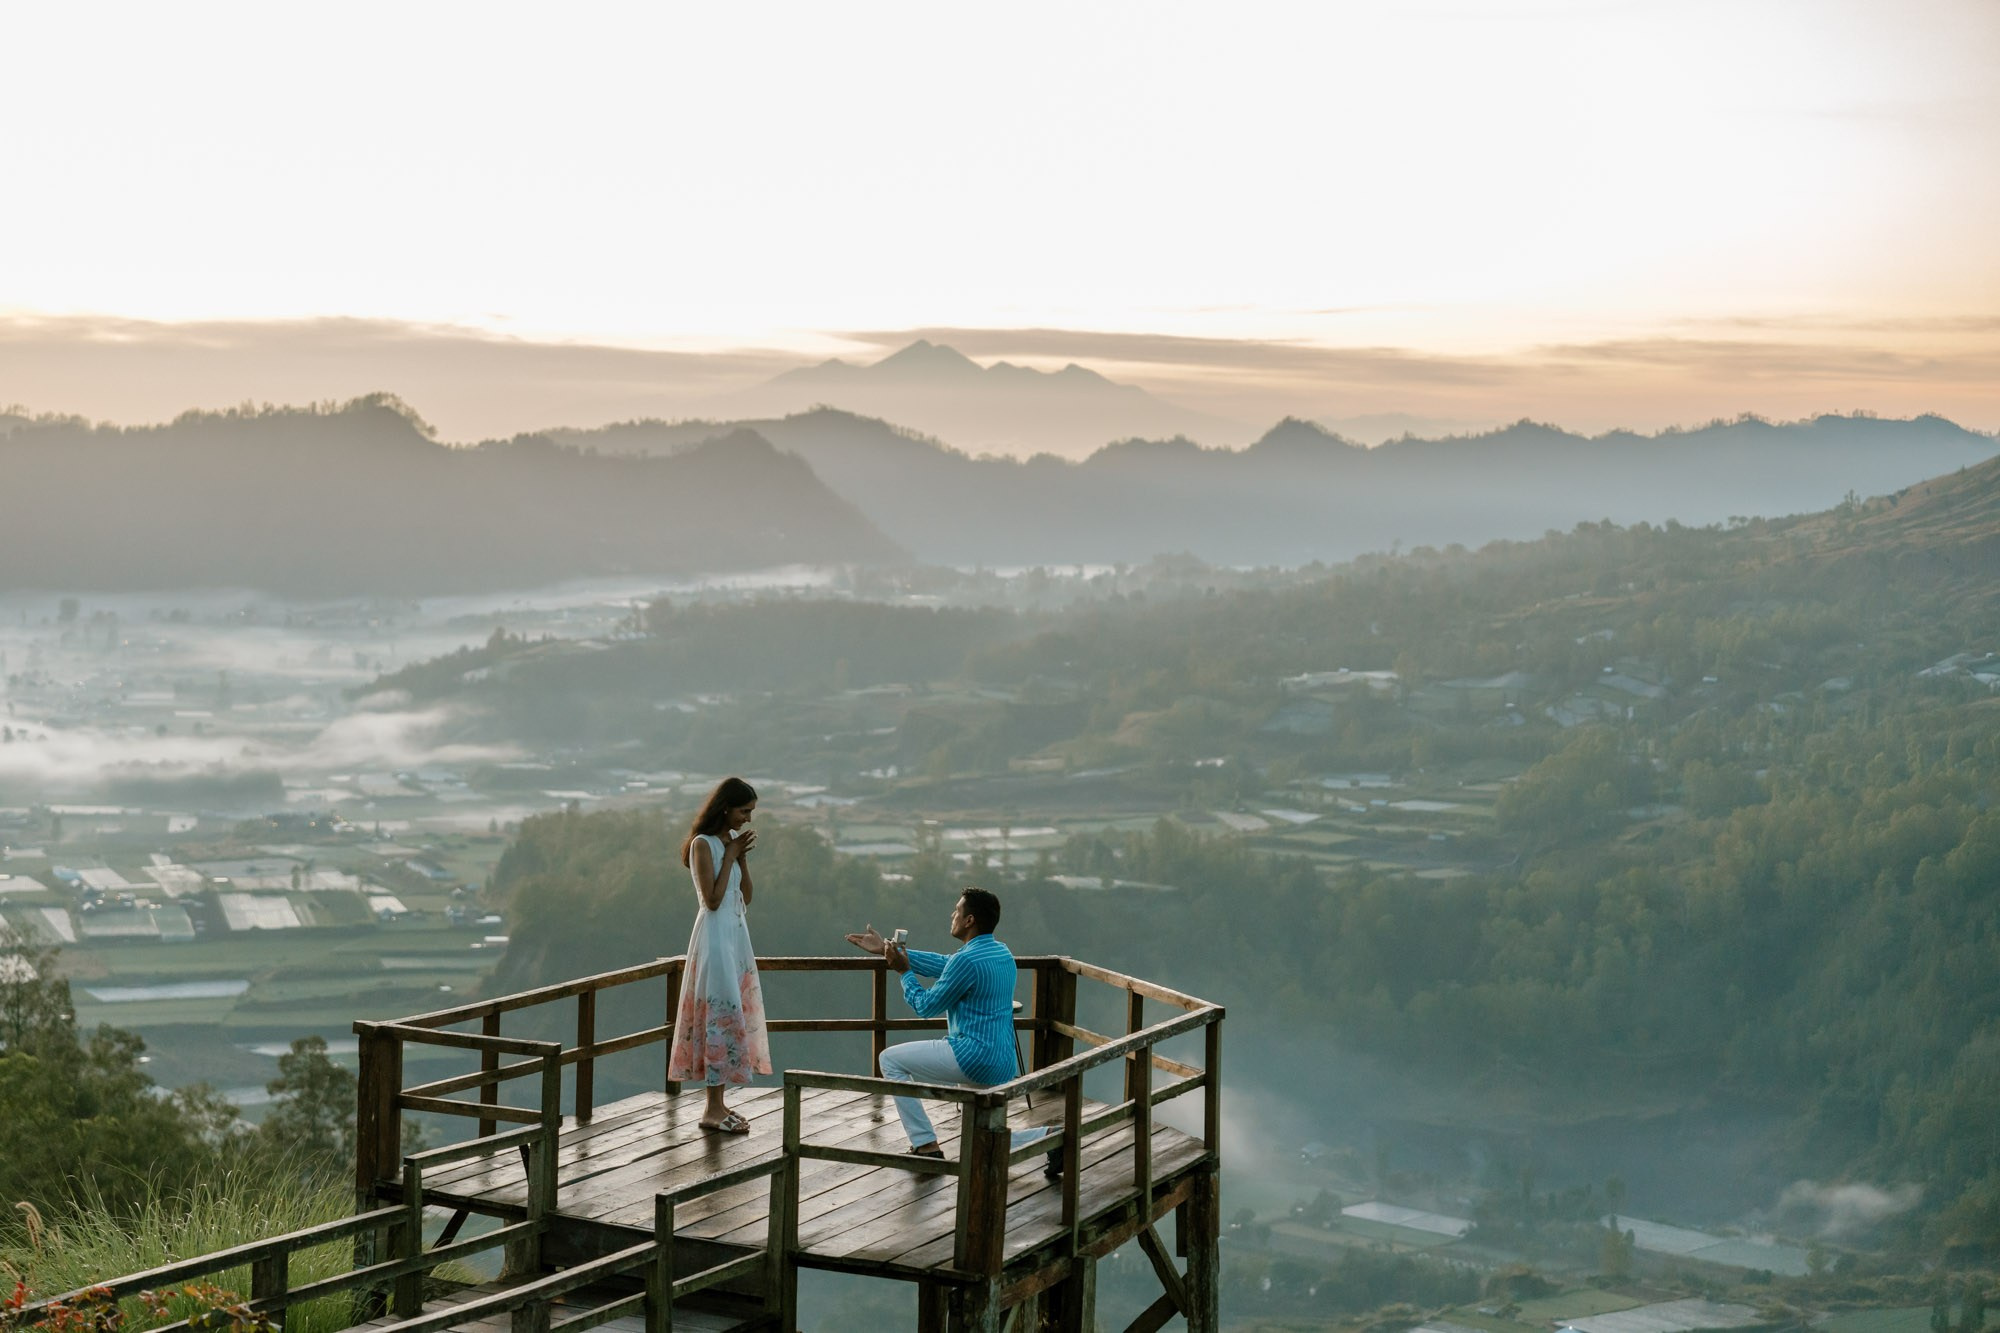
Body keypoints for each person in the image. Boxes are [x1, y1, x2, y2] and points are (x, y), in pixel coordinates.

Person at [846, 888, 1046, 1158]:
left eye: (957, 911)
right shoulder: (1001, 953)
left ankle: (925, 1144)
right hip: (1002, 1060)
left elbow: (926, 1006)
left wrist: (903, 971)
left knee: (890, 1060)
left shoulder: (966, 960)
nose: (952, 915)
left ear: (969, 920)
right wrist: (886, 949)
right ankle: (1047, 1137)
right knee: (981, 1138)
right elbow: (945, 964)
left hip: (973, 1057)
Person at [667, 776, 772, 1133]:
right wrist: (729, 855)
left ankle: (719, 1103)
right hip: (714, 937)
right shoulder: (702, 844)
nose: (748, 818)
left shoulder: (728, 844)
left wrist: (740, 859)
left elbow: (746, 896)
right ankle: (711, 1109)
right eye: (744, 811)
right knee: (718, 1015)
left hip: (735, 935)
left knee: (732, 1015)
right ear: (725, 808)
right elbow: (711, 899)